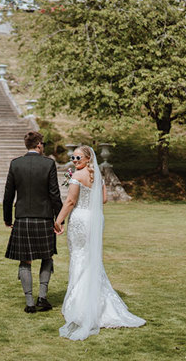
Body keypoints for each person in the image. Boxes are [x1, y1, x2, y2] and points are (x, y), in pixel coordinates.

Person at [54, 145, 145, 340]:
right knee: (90, 257)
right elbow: (103, 199)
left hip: (79, 219)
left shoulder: (77, 177)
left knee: (79, 257)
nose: (75, 160)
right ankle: (98, 303)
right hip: (93, 220)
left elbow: (70, 201)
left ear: (87, 159)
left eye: (78, 157)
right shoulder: (97, 176)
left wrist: (59, 220)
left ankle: (79, 305)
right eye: (73, 157)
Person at [4, 131, 63, 313]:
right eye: (42, 144)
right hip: (44, 219)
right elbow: (54, 194)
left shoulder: (16, 164)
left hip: (22, 219)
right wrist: (59, 219)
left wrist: (8, 219)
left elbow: (8, 195)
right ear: (38, 145)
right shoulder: (48, 164)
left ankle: (29, 303)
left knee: (25, 260)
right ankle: (42, 298)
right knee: (47, 256)